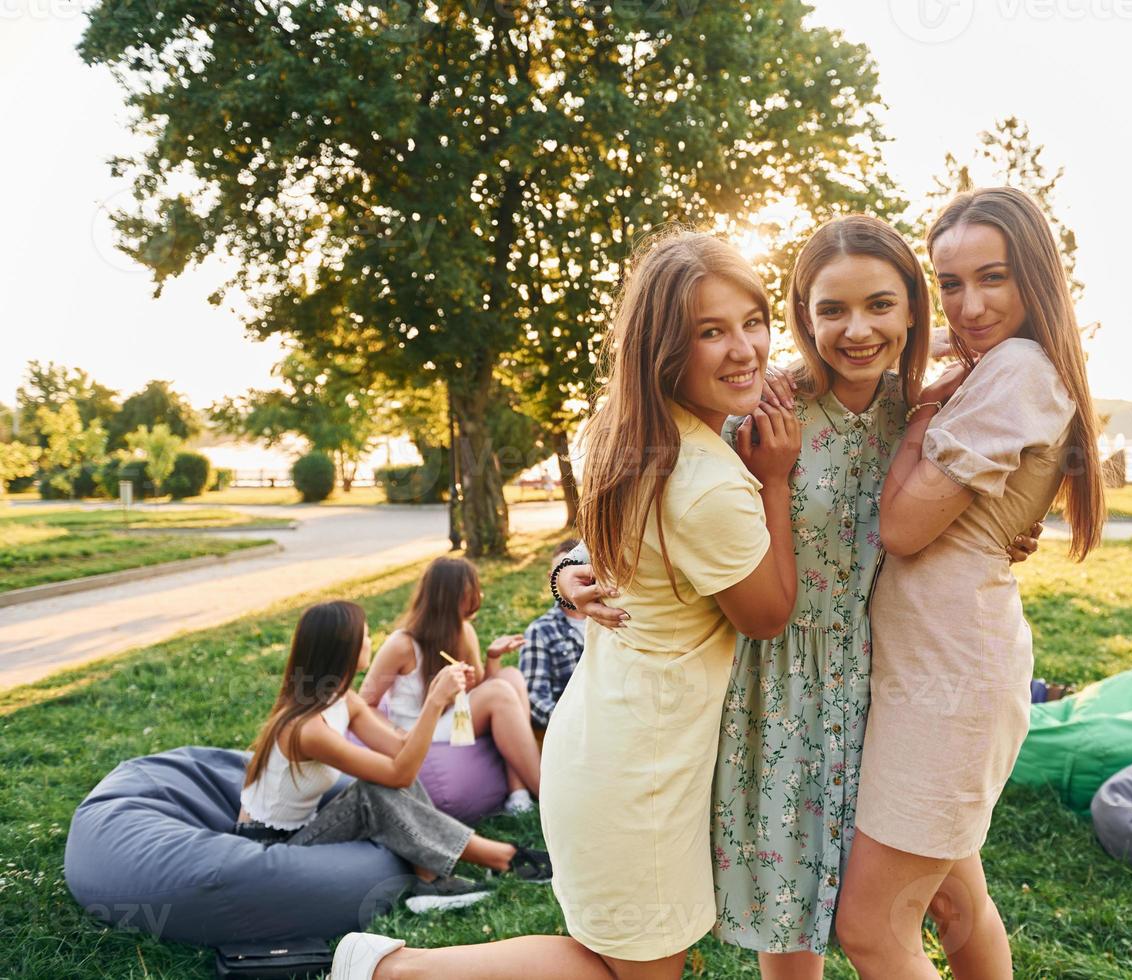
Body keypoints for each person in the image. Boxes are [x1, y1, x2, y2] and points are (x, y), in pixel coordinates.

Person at [556, 215, 1043, 980]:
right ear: (802, 315)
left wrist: (1015, 523)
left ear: (913, 309)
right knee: (789, 920)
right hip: (772, 687)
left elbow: (987, 506)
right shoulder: (762, 412)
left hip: (893, 684)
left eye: (881, 305)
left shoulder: (932, 411)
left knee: (953, 895)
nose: (857, 329)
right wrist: (570, 568)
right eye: (832, 310)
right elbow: (655, 506)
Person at [333, 229, 802, 980]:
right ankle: (393, 970)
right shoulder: (710, 482)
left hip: (614, 741)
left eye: (753, 320)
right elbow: (768, 614)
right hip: (638, 770)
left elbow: (602, 561)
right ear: (664, 352)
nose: (745, 348)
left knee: (620, 963)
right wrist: (774, 480)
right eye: (711, 331)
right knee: (628, 972)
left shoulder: (633, 432)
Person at [834, 186, 1106, 979]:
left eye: (993, 278)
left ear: (1036, 277)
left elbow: (903, 528)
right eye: (950, 285)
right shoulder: (998, 366)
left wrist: (918, 423)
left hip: (949, 683)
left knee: (872, 928)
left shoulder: (1016, 368)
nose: (970, 304)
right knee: (955, 904)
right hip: (935, 671)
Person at [237, 600, 552, 915]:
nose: (371, 641)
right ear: (344, 648)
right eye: (366, 635)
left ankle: (430, 881)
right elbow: (397, 773)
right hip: (271, 849)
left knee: (385, 782)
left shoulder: (343, 700)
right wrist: (433, 701)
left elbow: (403, 752)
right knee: (370, 792)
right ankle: (502, 857)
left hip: (301, 828)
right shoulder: (307, 728)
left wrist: (439, 703)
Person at [358, 556, 541, 812]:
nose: (480, 595)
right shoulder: (402, 644)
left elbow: (480, 690)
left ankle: (519, 790)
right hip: (419, 729)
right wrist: (395, 735)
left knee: (510, 676)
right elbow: (365, 703)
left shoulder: (464, 631)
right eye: (472, 591)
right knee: (500, 691)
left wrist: (493, 658)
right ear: (451, 597)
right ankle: (545, 791)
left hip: (454, 720)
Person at [519, 539, 588, 731]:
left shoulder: (611, 622)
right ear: (552, 578)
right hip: (569, 730)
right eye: (563, 573)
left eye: (579, 571)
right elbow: (535, 700)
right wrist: (572, 725)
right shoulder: (540, 631)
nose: (572, 582)